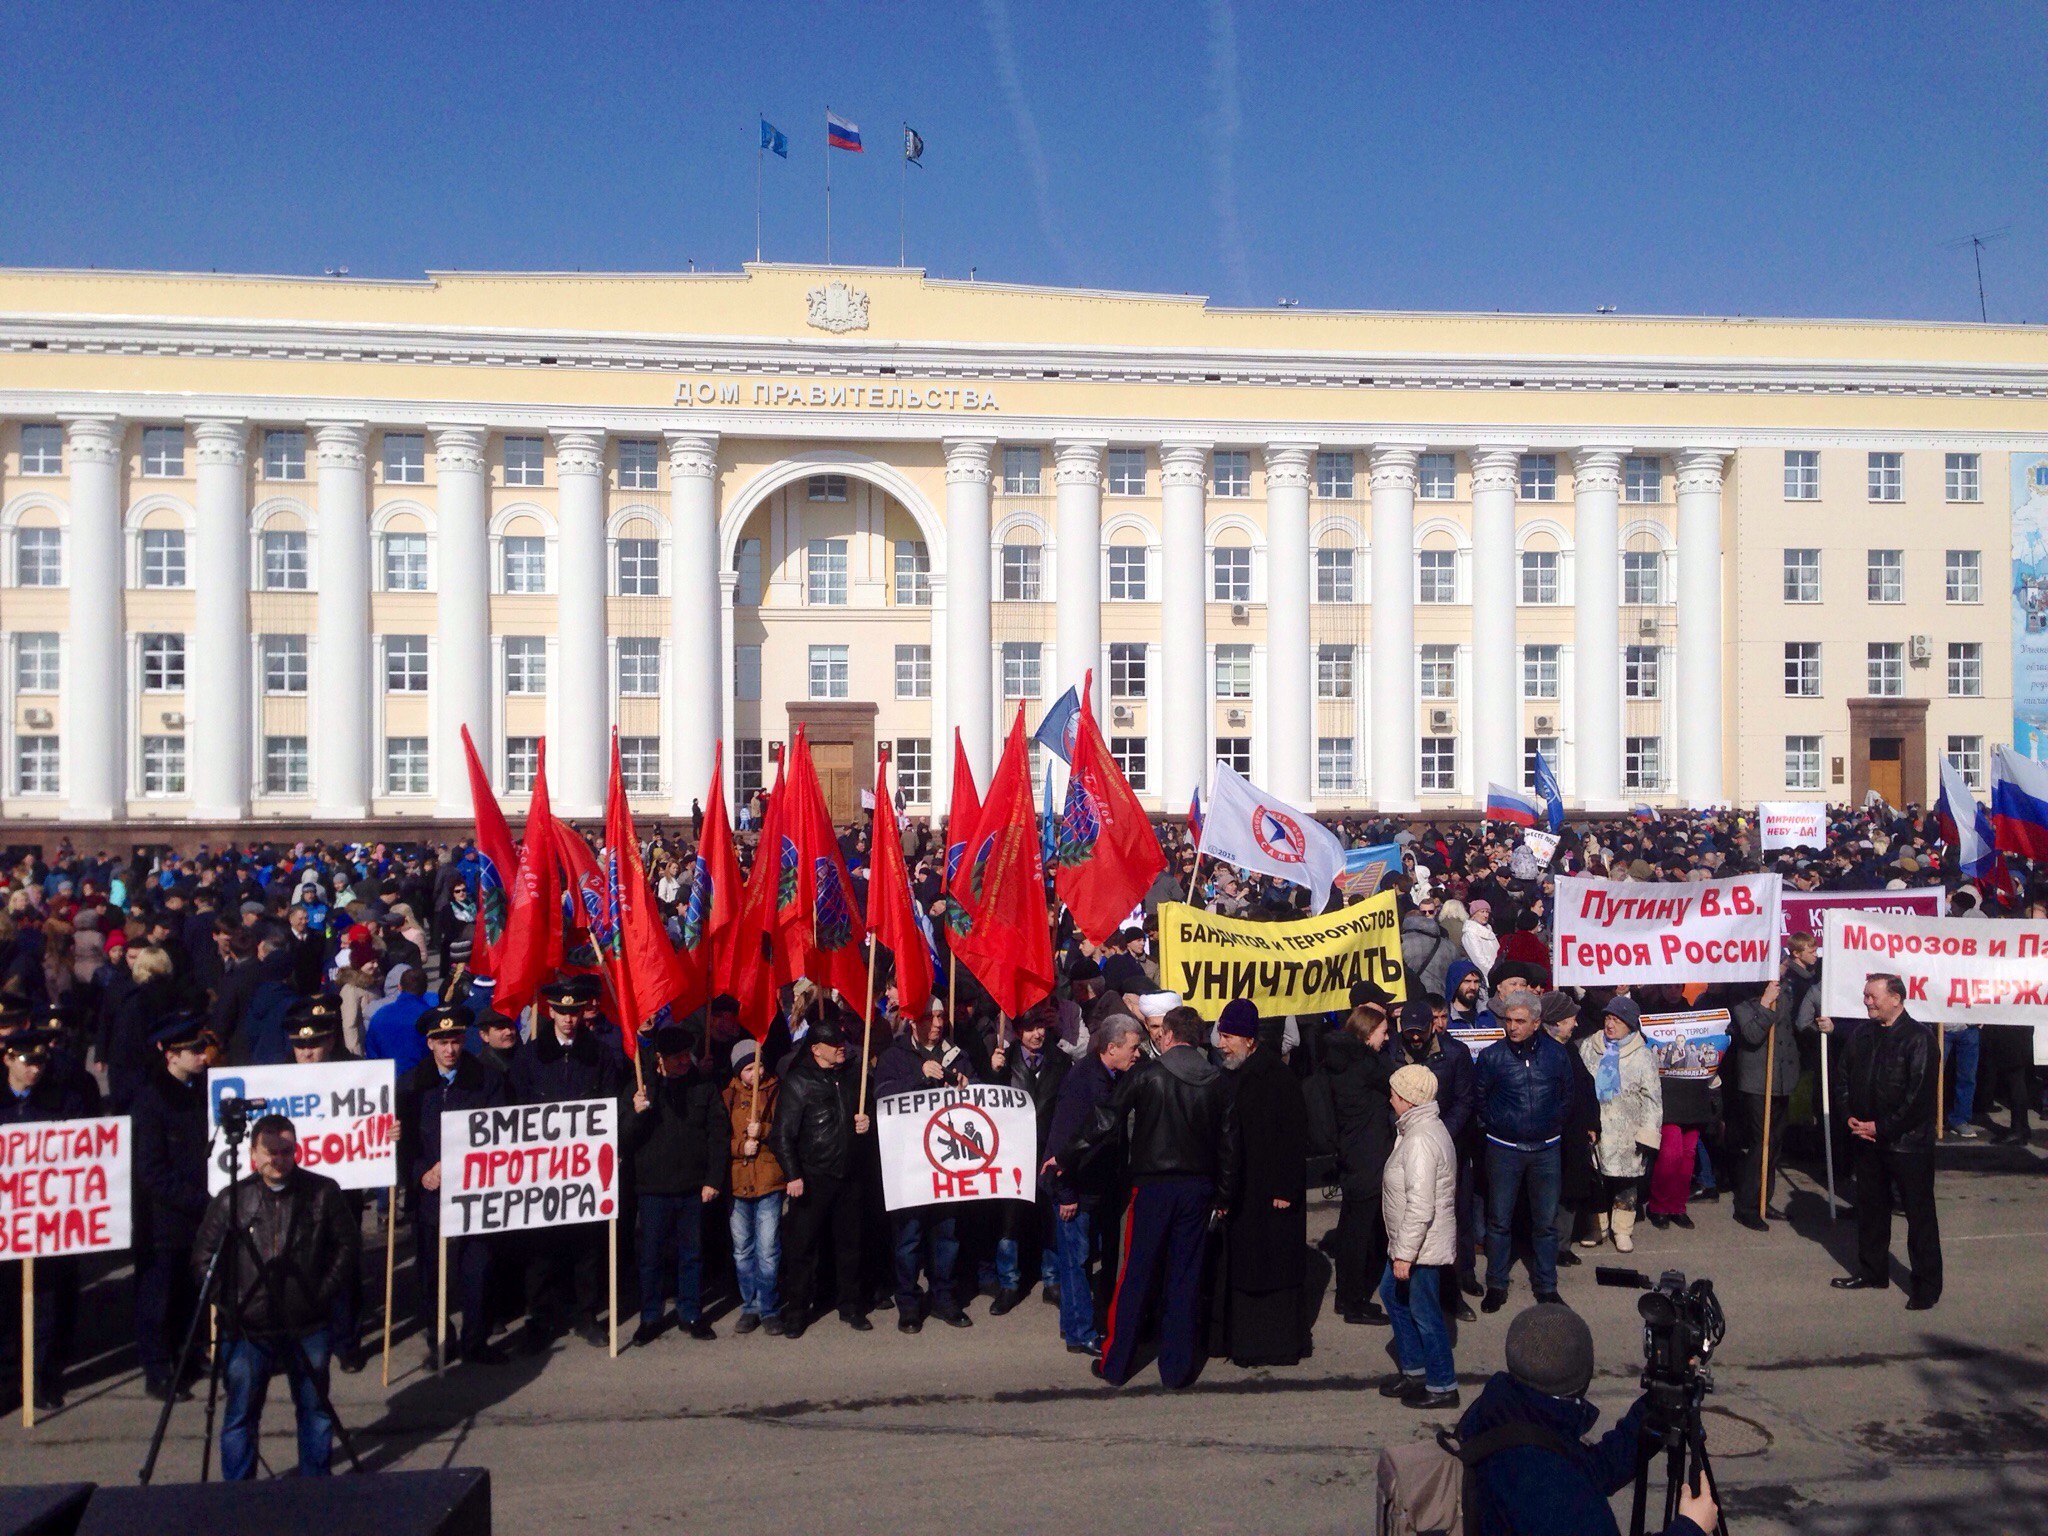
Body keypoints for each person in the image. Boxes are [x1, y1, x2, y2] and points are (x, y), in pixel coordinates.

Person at [1052, 1003, 1237, 1389]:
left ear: (1168, 1035)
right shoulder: (1218, 1081)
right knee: (1184, 1278)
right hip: (1197, 1190)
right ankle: (1177, 1369)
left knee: (1134, 1275)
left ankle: (1115, 1364)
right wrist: (1222, 1195)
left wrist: (1064, 1156)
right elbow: (1228, 1146)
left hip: (1152, 1188)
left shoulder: (1148, 1074)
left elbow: (1105, 1120)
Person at [192, 1113, 360, 1480]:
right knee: (240, 1415)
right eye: (269, 1152)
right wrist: (233, 1303)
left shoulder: (322, 1192)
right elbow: (204, 1260)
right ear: (252, 1154)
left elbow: (347, 1246)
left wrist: (321, 1293)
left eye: (285, 1151)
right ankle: (240, 1495)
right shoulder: (233, 1200)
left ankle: (315, 1489)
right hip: (248, 1329)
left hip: (307, 1323)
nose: (277, 1159)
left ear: (296, 1151)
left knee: (315, 1411)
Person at [1456, 1305, 1717, 1536]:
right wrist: (1691, 1528)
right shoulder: (1554, 1488)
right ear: (1583, 1379)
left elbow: (1593, 1469)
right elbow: (1565, 1486)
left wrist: (1657, 1407)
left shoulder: (1505, 1411)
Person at [510, 978, 625, 1349]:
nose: (569, 1019)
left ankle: (586, 1314)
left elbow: (610, 1103)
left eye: (574, 1012)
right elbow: (517, 1106)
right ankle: (541, 1316)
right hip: (542, 1168)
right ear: (550, 1011)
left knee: (587, 1245)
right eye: (562, 1011)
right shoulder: (530, 1055)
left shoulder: (601, 1053)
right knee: (541, 1246)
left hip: (585, 1168)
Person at [401, 1002, 508, 1368]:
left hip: (474, 1192)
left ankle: (476, 1340)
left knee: (476, 1270)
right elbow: (402, 1142)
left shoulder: (486, 1078)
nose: (450, 1049)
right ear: (430, 1043)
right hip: (430, 1194)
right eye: (442, 1041)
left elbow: (499, 1133)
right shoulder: (412, 1084)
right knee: (432, 1273)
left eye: (456, 1040)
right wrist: (419, 1172)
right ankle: (440, 1340)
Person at [1830, 973, 1942, 1310]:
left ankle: (1926, 1286)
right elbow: (1844, 1077)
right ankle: (1872, 1271)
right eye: (1865, 995)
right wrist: (1848, 1113)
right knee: (1872, 1211)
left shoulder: (1919, 1039)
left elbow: (1919, 1097)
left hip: (1907, 1144)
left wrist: (1883, 1127)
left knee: (1919, 1216)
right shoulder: (1862, 1034)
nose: (1867, 1002)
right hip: (1866, 1140)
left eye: (1872, 996)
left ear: (1895, 998)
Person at [0, 1021, 91, 1409]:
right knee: (5, 1307)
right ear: (8, 1059)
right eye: (27, 1061)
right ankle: (7, 1382)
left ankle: (40, 1379)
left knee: (46, 1306)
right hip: (7, 1222)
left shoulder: (61, 1100)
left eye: (41, 1061)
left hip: (47, 1222)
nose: (35, 1069)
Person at [1214, 998, 1309, 1368]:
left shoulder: (1276, 1077)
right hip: (1245, 1192)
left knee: (1272, 1268)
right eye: (1221, 1035)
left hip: (1271, 1196)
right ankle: (1245, 1343)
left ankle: (1278, 1345)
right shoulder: (1234, 1074)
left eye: (1228, 1036)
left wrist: (1285, 1188)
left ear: (1249, 1039)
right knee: (1247, 1268)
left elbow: (1293, 1136)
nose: (1222, 1044)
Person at [873, 999, 978, 1332]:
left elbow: (977, 1102)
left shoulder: (958, 1056)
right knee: (909, 1237)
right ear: (912, 1020)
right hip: (909, 1163)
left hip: (946, 1163)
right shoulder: (895, 1055)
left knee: (947, 1234)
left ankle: (944, 1298)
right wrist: (919, 1077)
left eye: (940, 1015)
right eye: (928, 1016)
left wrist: (966, 1086)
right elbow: (883, 1096)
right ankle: (908, 1302)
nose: (936, 1022)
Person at [1044, 1014, 1143, 1356]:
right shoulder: (1082, 1081)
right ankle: (1080, 1333)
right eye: (1132, 1047)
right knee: (1076, 1262)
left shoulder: (1109, 1075)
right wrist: (1066, 1192)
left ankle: (1075, 1324)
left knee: (1081, 1259)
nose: (1137, 1053)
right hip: (1075, 1190)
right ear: (1111, 1047)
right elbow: (1062, 1141)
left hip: (1094, 1186)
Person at [769, 1014, 873, 1338]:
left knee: (850, 1245)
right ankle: (798, 1310)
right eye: (833, 1044)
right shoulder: (798, 1081)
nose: (841, 1047)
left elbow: (863, 1111)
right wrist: (793, 1174)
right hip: (813, 1178)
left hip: (848, 1176)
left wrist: (866, 1124)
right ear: (816, 1049)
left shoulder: (851, 1075)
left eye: (842, 1041)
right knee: (803, 1248)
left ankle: (851, 1306)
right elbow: (781, 1134)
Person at [131, 1013, 215, 1401]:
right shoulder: (151, 1099)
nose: (203, 1055)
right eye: (194, 1050)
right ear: (170, 1055)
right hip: (164, 1219)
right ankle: (158, 1367)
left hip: (198, 1214)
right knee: (158, 1296)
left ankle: (189, 1354)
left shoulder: (202, 1090)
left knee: (191, 1290)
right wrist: (196, 1200)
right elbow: (150, 1169)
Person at [627, 1022, 726, 1345]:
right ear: (660, 1059)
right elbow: (624, 1137)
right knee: (651, 1257)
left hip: (692, 1187)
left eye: (687, 1054)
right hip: (653, 1188)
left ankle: (691, 1313)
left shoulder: (703, 1087)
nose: (684, 1061)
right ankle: (650, 1317)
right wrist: (636, 1113)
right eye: (676, 1057)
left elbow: (718, 1135)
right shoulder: (643, 1088)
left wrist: (713, 1179)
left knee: (691, 1255)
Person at [1475, 992, 1572, 1311]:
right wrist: (1500, 1123)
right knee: (1499, 1221)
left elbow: (1566, 1095)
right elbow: (1480, 1098)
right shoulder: (1492, 1057)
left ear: (1536, 1022)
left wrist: (1551, 1124)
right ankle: (1496, 1285)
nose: (1511, 1027)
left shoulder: (1557, 1055)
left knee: (1545, 1222)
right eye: (1508, 1020)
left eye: (1519, 1021)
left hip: (1546, 1150)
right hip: (1504, 1150)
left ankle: (1546, 1286)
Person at [1376, 1062, 1459, 1409]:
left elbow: (1421, 1206)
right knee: (1392, 1295)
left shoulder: (1422, 1140)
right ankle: (1414, 1371)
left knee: (1425, 1313)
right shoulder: (1416, 1129)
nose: (1390, 1099)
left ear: (1409, 1100)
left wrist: (1404, 1255)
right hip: (1410, 1242)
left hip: (1421, 1247)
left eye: (1394, 1094)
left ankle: (1442, 1386)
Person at [990, 1004, 1070, 1312]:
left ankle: (1052, 1281)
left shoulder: (1060, 1061)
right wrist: (993, 1072)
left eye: (1041, 1027)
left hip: (1046, 1152)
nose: (1037, 1034)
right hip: (1011, 1154)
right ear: (1016, 1030)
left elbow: (1065, 1108)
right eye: (1029, 1028)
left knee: (1049, 1219)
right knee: (1009, 1222)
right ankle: (1009, 1284)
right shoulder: (1004, 1060)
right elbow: (987, 1105)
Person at [1321, 998, 1395, 1325]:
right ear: (1367, 1035)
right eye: (1383, 1032)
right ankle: (1353, 1303)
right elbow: (1400, 1076)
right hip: (1368, 1157)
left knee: (1351, 1228)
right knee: (1360, 1235)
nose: (1387, 1038)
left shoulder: (1342, 1060)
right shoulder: (1367, 1065)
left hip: (1352, 1153)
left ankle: (1345, 1297)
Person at [1576, 998, 1663, 1254]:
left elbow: (1652, 1098)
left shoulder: (1642, 1054)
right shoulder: (1590, 1048)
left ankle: (1622, 1230)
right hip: (1597, 1126)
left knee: (1626, 1182)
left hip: (1627, 1129)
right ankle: (1598, 1227)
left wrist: (1648, 1132)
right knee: (1596, 1179)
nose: (1610, 1024)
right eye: (1608, 1018)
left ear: (1630, 1024)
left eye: (1617, 1020)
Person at [721, 1037, 787, 1335]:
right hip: (738, 1182)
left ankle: (769, 1307)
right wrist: (738, 1147)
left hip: (769, 1180)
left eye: (759, 1065)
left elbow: (788, 1127)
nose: (756, 1073)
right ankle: (750, 1306)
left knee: (768, 1249)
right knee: (742, 1250)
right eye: (748, 1068)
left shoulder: (776, 1090)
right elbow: (717, 1138)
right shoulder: (727, 1096)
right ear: (738, 1072)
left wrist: (765, 1131)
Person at [1729, 977, 1804, 1230]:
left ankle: (1764, 1199)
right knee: (1761, 1144)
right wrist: (1765, 1001)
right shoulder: (1742, 997)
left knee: (1774, 1144)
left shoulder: (1784, 991)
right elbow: (1751, 1034)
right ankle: (1747, 1206)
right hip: (1757, 1081)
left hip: (1781, 1078)